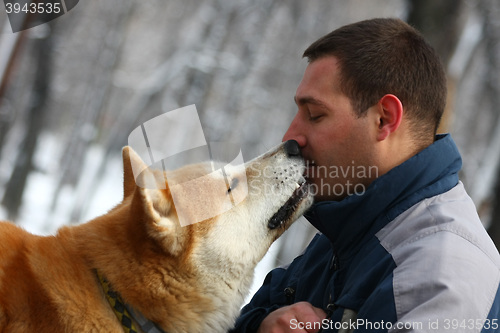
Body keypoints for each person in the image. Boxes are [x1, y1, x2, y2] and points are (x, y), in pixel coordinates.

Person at [230, 18, 500, 333]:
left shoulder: (441, 275)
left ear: (385, 119)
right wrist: (262, 325)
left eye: (315, 115)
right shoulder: (350, 234)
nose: (291, 135)